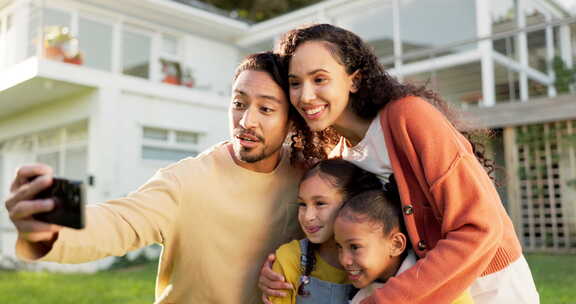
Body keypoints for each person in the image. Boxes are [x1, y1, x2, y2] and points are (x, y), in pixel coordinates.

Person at [260, 24, 539, 304]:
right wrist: (285, 271)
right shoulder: (339, 159)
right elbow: (339, 241)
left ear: (354, 80)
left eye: (319, 79)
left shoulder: (407, 117)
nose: (305, 96)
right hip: (417, 288)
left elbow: (479, 227)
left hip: (488, 283)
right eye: (295, 83)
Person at [5, 52, 305, 304]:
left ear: (292, 122)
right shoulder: (187, 180)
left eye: (265, 108)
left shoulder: (305, 177)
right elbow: (119, 220)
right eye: (239, 104)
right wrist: (48, 227)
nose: (246, 121)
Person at [334, 187, 473, 304]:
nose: (343, 260)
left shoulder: (440, 285)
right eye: (339, 246)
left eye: (354, 247)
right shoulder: (362, 297)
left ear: (396, 244)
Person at [270, 159, 381, 304]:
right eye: (302, 204)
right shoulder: (290, 258)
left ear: (351, 203)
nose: (308, 217)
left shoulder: (375, 261)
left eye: (320, 203)